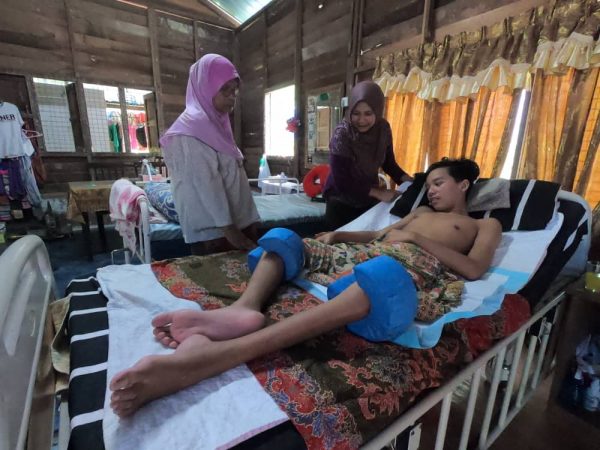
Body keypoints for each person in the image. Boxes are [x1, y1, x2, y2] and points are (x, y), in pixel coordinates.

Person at [109, 158, 501, 417]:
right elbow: (380, 234)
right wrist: (339, 236)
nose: (431, 191)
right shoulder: (420, 211)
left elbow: (474, 268)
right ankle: (245, 307)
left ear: (464, 184)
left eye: (439, 183)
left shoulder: (484, 225)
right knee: (286, 242)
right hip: (376, 251)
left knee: (376, 281)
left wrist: (416, 240)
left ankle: (215, 358)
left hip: (412, 264)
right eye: (428, 185)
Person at [160, 54, 260, 255]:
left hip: (233, 226)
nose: (232, 97)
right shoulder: (190, 130)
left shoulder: (215, 125)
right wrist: (232, 232)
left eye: (234, 90)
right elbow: (205, 183)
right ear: (205, 87)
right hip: (216, 234)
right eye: (225, 89)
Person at [322, 81, 413, 229]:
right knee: (337, 241)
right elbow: (342, 181)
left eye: (368, 113)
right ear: (350, 111)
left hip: (368, 201)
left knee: (365, 240)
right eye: (356, 113)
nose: (361, 120)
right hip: (340, 202)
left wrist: (408, 182)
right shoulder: (343, 134)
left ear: (377, 111)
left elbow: (389, 164)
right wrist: (379, 193)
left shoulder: (383, 129)